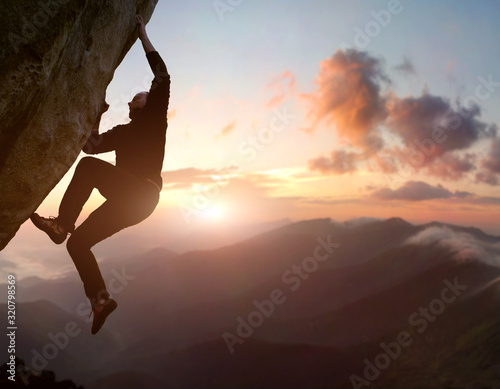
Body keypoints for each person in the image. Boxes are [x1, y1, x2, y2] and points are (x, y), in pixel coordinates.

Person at [30, 15, 170, 334]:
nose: (142, 96)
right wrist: (96, 114)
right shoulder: (123, 131)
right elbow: (91, 146)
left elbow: (162, 75)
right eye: (138, 97)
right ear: (133, 107)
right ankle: (101, 301)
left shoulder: (155, 121)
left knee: (88, 173)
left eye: (144, 95)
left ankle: (62, 223)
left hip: (143, 194)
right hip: (128, 202)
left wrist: (143, 35)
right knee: (77, 244)